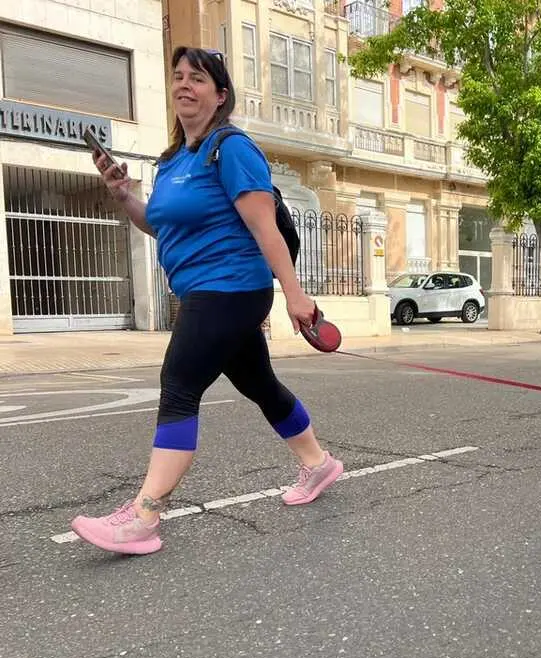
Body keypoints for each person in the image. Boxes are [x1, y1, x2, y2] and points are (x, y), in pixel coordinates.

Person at [70, 47, 342, 555]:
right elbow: (160, 224)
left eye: (197, 78)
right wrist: (124, 194)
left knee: (179, 383)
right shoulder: (174, 161)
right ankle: (318, 463)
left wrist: (295, 295)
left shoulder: (231, 148)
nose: (184, 85)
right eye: (177, 77)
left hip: (232, 286)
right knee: (259, 383)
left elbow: (266, 229)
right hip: (200, 288)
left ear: (220, 95)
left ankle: (143, 518)